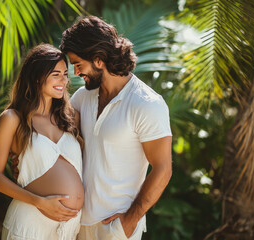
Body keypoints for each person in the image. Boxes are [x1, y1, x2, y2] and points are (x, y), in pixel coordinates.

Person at [59, 16, 173, 240]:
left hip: (115, 228)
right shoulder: (82, 97)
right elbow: (57, 136)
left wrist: (129, 222)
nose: (75, 73)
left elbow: (163, 169)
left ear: (99, 60)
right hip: (76, 225)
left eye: (78, 64)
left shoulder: (147, 103)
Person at [0, 44, 84, 240]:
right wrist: (40, 202)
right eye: (55, 74)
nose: (63, 80)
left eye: (65, 74)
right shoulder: (13, 119)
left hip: (69, 230)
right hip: (28, 225)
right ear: (38, 76)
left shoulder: (72, 117)